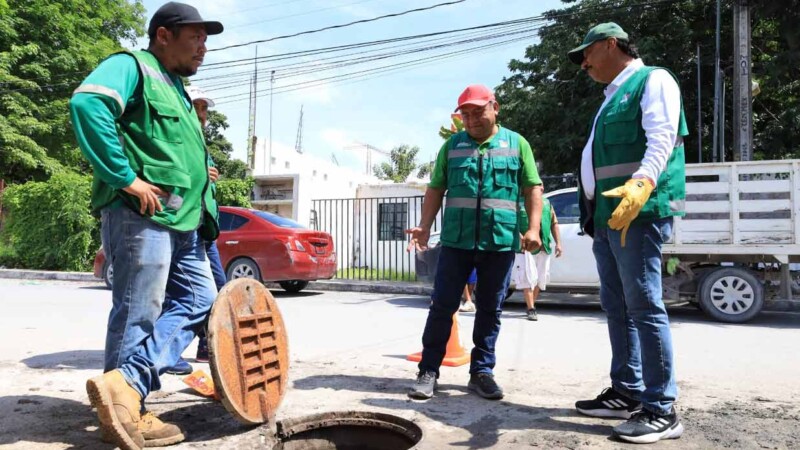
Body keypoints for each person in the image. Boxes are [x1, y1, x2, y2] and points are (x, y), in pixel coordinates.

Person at [69, 3, 223, 449]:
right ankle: (125, 413)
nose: (203, 47)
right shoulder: (131, 66)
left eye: (205, 39)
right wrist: (126, 178)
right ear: (162, 35)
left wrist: (204, 170)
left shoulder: (178, 88)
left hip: (187, 222)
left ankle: (126, 386)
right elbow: (88, 103)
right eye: (195, 37)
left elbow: (176, 149)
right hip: (143, 215)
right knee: (139, 311)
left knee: (199, 300)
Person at [568, 23, 687, 444]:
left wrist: (642, 184)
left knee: (643, 305)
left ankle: (661, 408)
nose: (584, 63)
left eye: (587, 53)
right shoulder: (611, 98)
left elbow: (661, 139)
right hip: (607, 218)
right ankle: (627, 390)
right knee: (617, 306)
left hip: (639, 212)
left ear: (610, 44)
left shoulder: (653, 80)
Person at [406, 84, 543, 400]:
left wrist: (533, 228)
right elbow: (436, 189)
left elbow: (532, 188)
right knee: (442, 305)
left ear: (495, 108)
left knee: (490, 309)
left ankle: (481, 372)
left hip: (500, 241)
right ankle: (429, 370)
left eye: (477, 112)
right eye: (465, 114)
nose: (470, 120)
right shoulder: (452, 146)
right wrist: (425, 227)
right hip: (457, 242)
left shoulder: (517, 144)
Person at [164, 86, 226, 374]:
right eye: (198, 106)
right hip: (182, 224)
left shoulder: (201, 142)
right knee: (183, 294)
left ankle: (207, 344)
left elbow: (203, 186)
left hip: (203, 228)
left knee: (215, 291)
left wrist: (209, 176)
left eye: (205, 109)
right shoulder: (175, 133)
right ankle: (160, 356)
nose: (203, 114)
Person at [514, 197, 562, 321]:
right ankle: (531, 309)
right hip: (526, 248)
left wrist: (559, 244)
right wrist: (520, 237)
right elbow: (513, 222)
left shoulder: (547, 203)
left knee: (540, 279)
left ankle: (532, 305)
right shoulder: (518, 203)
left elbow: (554, 224)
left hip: (543, 247)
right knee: (527, 278)